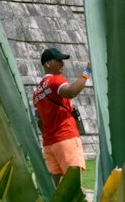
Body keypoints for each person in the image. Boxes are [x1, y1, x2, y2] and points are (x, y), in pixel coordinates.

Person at [33, 47, 90, 186]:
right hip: (66, 138)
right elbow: (70, 92)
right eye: (58, 61)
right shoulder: (55, 80)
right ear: (47, 64)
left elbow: (39, 120)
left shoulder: (37, 92)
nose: (62, 64)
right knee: (74, 187)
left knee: (57, 189)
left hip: (49, 144)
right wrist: (86, 73)